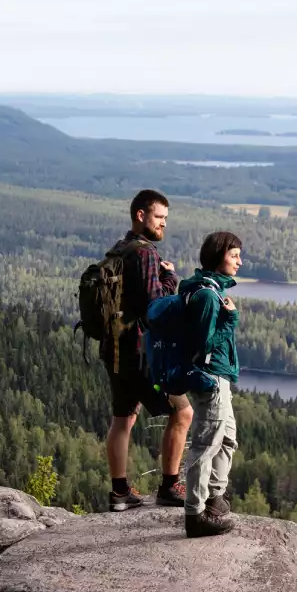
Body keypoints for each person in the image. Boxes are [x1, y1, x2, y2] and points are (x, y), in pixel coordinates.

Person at [101, 190, 194, 511]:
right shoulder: (145, 255)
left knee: (122, 419)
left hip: (113, 348)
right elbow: (156, 307)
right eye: (159, 218)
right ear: (141, 216)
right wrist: (169, 277)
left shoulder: (118, 249)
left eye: (165, 219)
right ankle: (169, 486)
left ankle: (119, 493)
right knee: (183, 412)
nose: (163, 225)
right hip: (141, 353)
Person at [178, 231, 245, 537]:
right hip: (211, 379)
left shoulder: (213, 291)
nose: (239, 262)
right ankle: (196, 515)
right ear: (219, 256)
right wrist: (231, 321)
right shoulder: (207, 295)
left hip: (220, 378)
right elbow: (200, 346)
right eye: (234, 256)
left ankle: (214, 498)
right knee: (206, 446)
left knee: (227, 438)